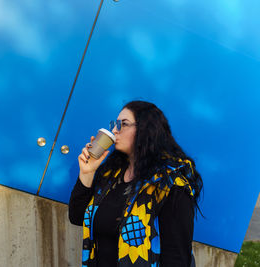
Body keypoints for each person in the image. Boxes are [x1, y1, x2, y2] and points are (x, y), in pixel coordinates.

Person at [68, 100, 203, 267]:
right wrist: (87, 173)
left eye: (123, 124)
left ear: (146, 130)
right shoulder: (111, 175)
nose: (115, 130)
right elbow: (77, 216)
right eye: (115, 124)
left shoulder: (170, 185)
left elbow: (177, 257)